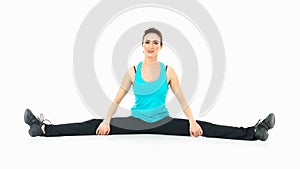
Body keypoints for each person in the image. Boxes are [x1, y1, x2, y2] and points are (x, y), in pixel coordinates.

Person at [24, 27, 275, 141]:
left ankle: (253, 133)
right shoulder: (133, 71)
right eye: (147, 42)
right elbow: (116, 99)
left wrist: (192, 121)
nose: (151, 46)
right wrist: (106, 121)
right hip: (135, 123)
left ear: (161, 46)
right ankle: (43, 130)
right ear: (142, 46)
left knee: (205, 128)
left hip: (163, 122)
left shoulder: (169, 71)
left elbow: (182, 99)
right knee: (92, 124)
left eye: (156, 42)